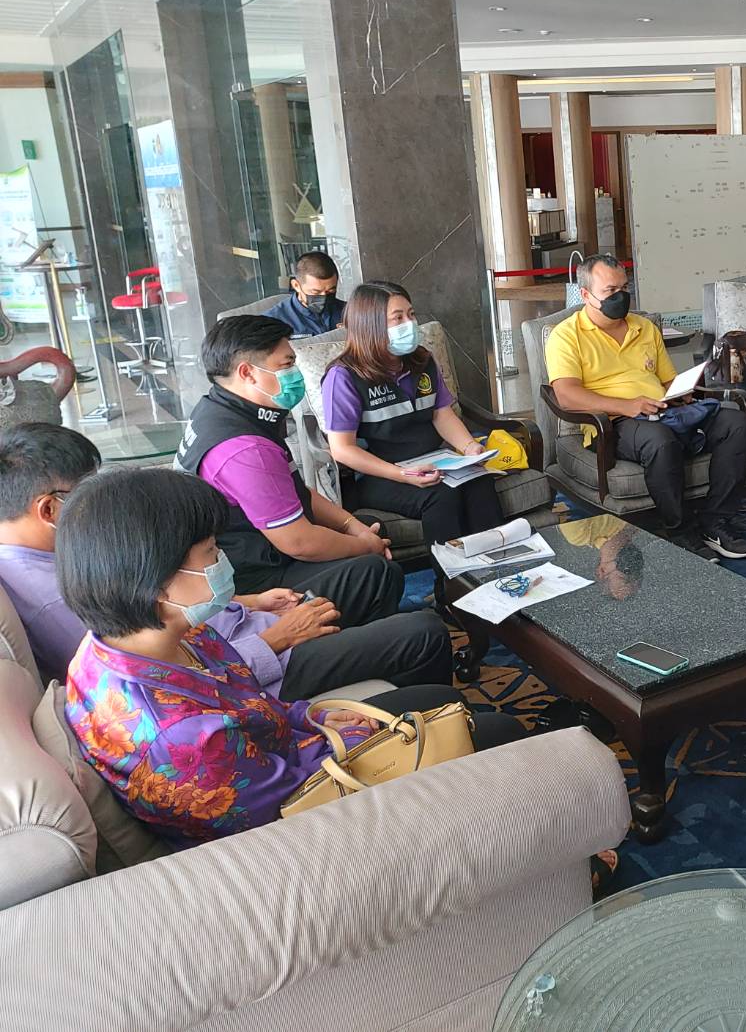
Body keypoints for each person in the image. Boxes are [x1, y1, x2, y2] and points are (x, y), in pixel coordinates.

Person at [56, 468, 524, 846]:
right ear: (157, 583)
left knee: (443, 700)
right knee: (499, 732)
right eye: (211, 551)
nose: (223, 561)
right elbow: (295, 814)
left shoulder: (145, 637)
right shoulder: (183, 742)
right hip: (311, 821)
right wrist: (346, 740)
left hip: (286, 751)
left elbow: (252, 704)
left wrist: (311, 716)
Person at [0, 423, 452, 697]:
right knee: (422, 632)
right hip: (253, 668)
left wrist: (252, 602)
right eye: (89, 490)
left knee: (370, 576)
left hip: (237, 629)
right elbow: (163, 677)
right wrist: (278, 638)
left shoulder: (62, 553)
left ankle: (380, 674)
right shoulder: (52, 597)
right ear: (49, 509)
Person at [177, 317, 421, 632]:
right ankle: (366, 646)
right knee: (375, 571)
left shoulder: (221, 409)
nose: (295, 373)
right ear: (248, 373)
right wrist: (366, 546)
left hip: (257, 548)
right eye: (287, 364)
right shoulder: (245, 449)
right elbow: (299, 542)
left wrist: (351, 526)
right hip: (252, 578)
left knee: (368, 530)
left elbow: (294, 492)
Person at [547, 253, 746, 559]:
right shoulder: (566, 336)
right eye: (610, 291)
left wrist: (681, 393)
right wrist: (626, 405)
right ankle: (680, 531)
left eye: (624, 288)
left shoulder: (644, 327)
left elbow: (667, 380)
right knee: (660, 441)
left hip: (662, 410)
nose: (620, 296)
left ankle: (715, 522)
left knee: (735, 423)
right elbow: (566, 395)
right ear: (586, 295)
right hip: (613, 423)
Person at [323, 281, 503, 546]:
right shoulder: (344, 377)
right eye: (398, 318)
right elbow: (342, 450)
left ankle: (498, 562)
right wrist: (402, 474)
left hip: (431, 460)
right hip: (377, 474)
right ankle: (450, 572)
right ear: (370, 325)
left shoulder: (422, 360)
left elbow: (441, 414)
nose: (410, 323)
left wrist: (469, 447)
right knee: (441, 496)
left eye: (411, 314)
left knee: (479, 484)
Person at [264, 251, 343, 336]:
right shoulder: (272, 322)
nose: (323, 296)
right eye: (315, 292)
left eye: (330, 291)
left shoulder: (348, 312)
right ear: (296, 285)